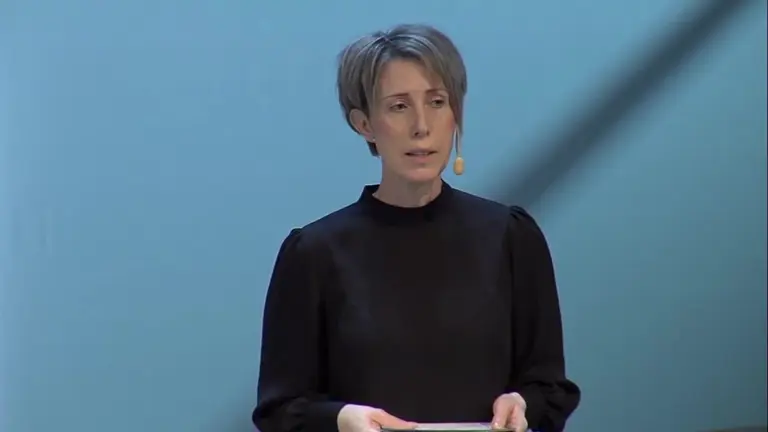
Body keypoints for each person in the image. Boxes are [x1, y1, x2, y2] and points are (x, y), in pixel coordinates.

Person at [251, 23, 581, 432]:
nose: (422, 126)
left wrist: (521, 403)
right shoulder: (314, 253)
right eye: (399, 107)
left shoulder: (511, 237)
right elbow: (280, 409)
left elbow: (549, 388)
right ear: (364, 123)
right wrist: (341, 419)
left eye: (437, 102)